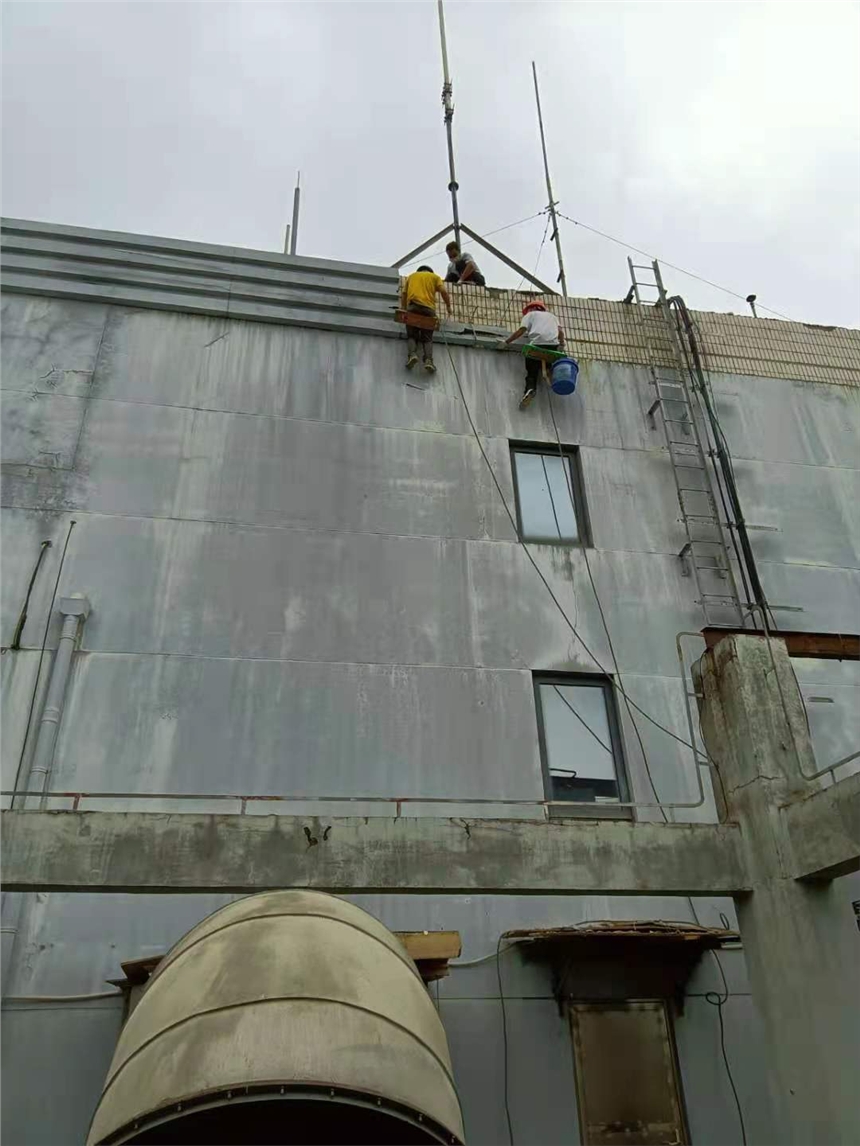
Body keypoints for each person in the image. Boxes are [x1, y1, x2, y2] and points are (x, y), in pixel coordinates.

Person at [501, 300, 565, 409]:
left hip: (537, 345)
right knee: (548, 362)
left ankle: (530, 389)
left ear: (531, 309)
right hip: (552, 347)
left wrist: (506, 342)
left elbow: (521, 330)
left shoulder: (530, 315)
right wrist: (562, 344)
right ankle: (550, 374)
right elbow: (561, 333)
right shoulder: (553, 317)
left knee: (531, 371)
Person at [400, 265, 451, 373]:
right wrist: (448, 306)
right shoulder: (434, 277)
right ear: (430, 271)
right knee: (427, 338)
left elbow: (404, 294)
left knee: (412, 335)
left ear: (419, 271)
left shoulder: (411, 276)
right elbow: (444, 292)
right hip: (428, 310)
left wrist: (404, 309)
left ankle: (412, 355)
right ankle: (428, 361)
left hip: (413, 307)